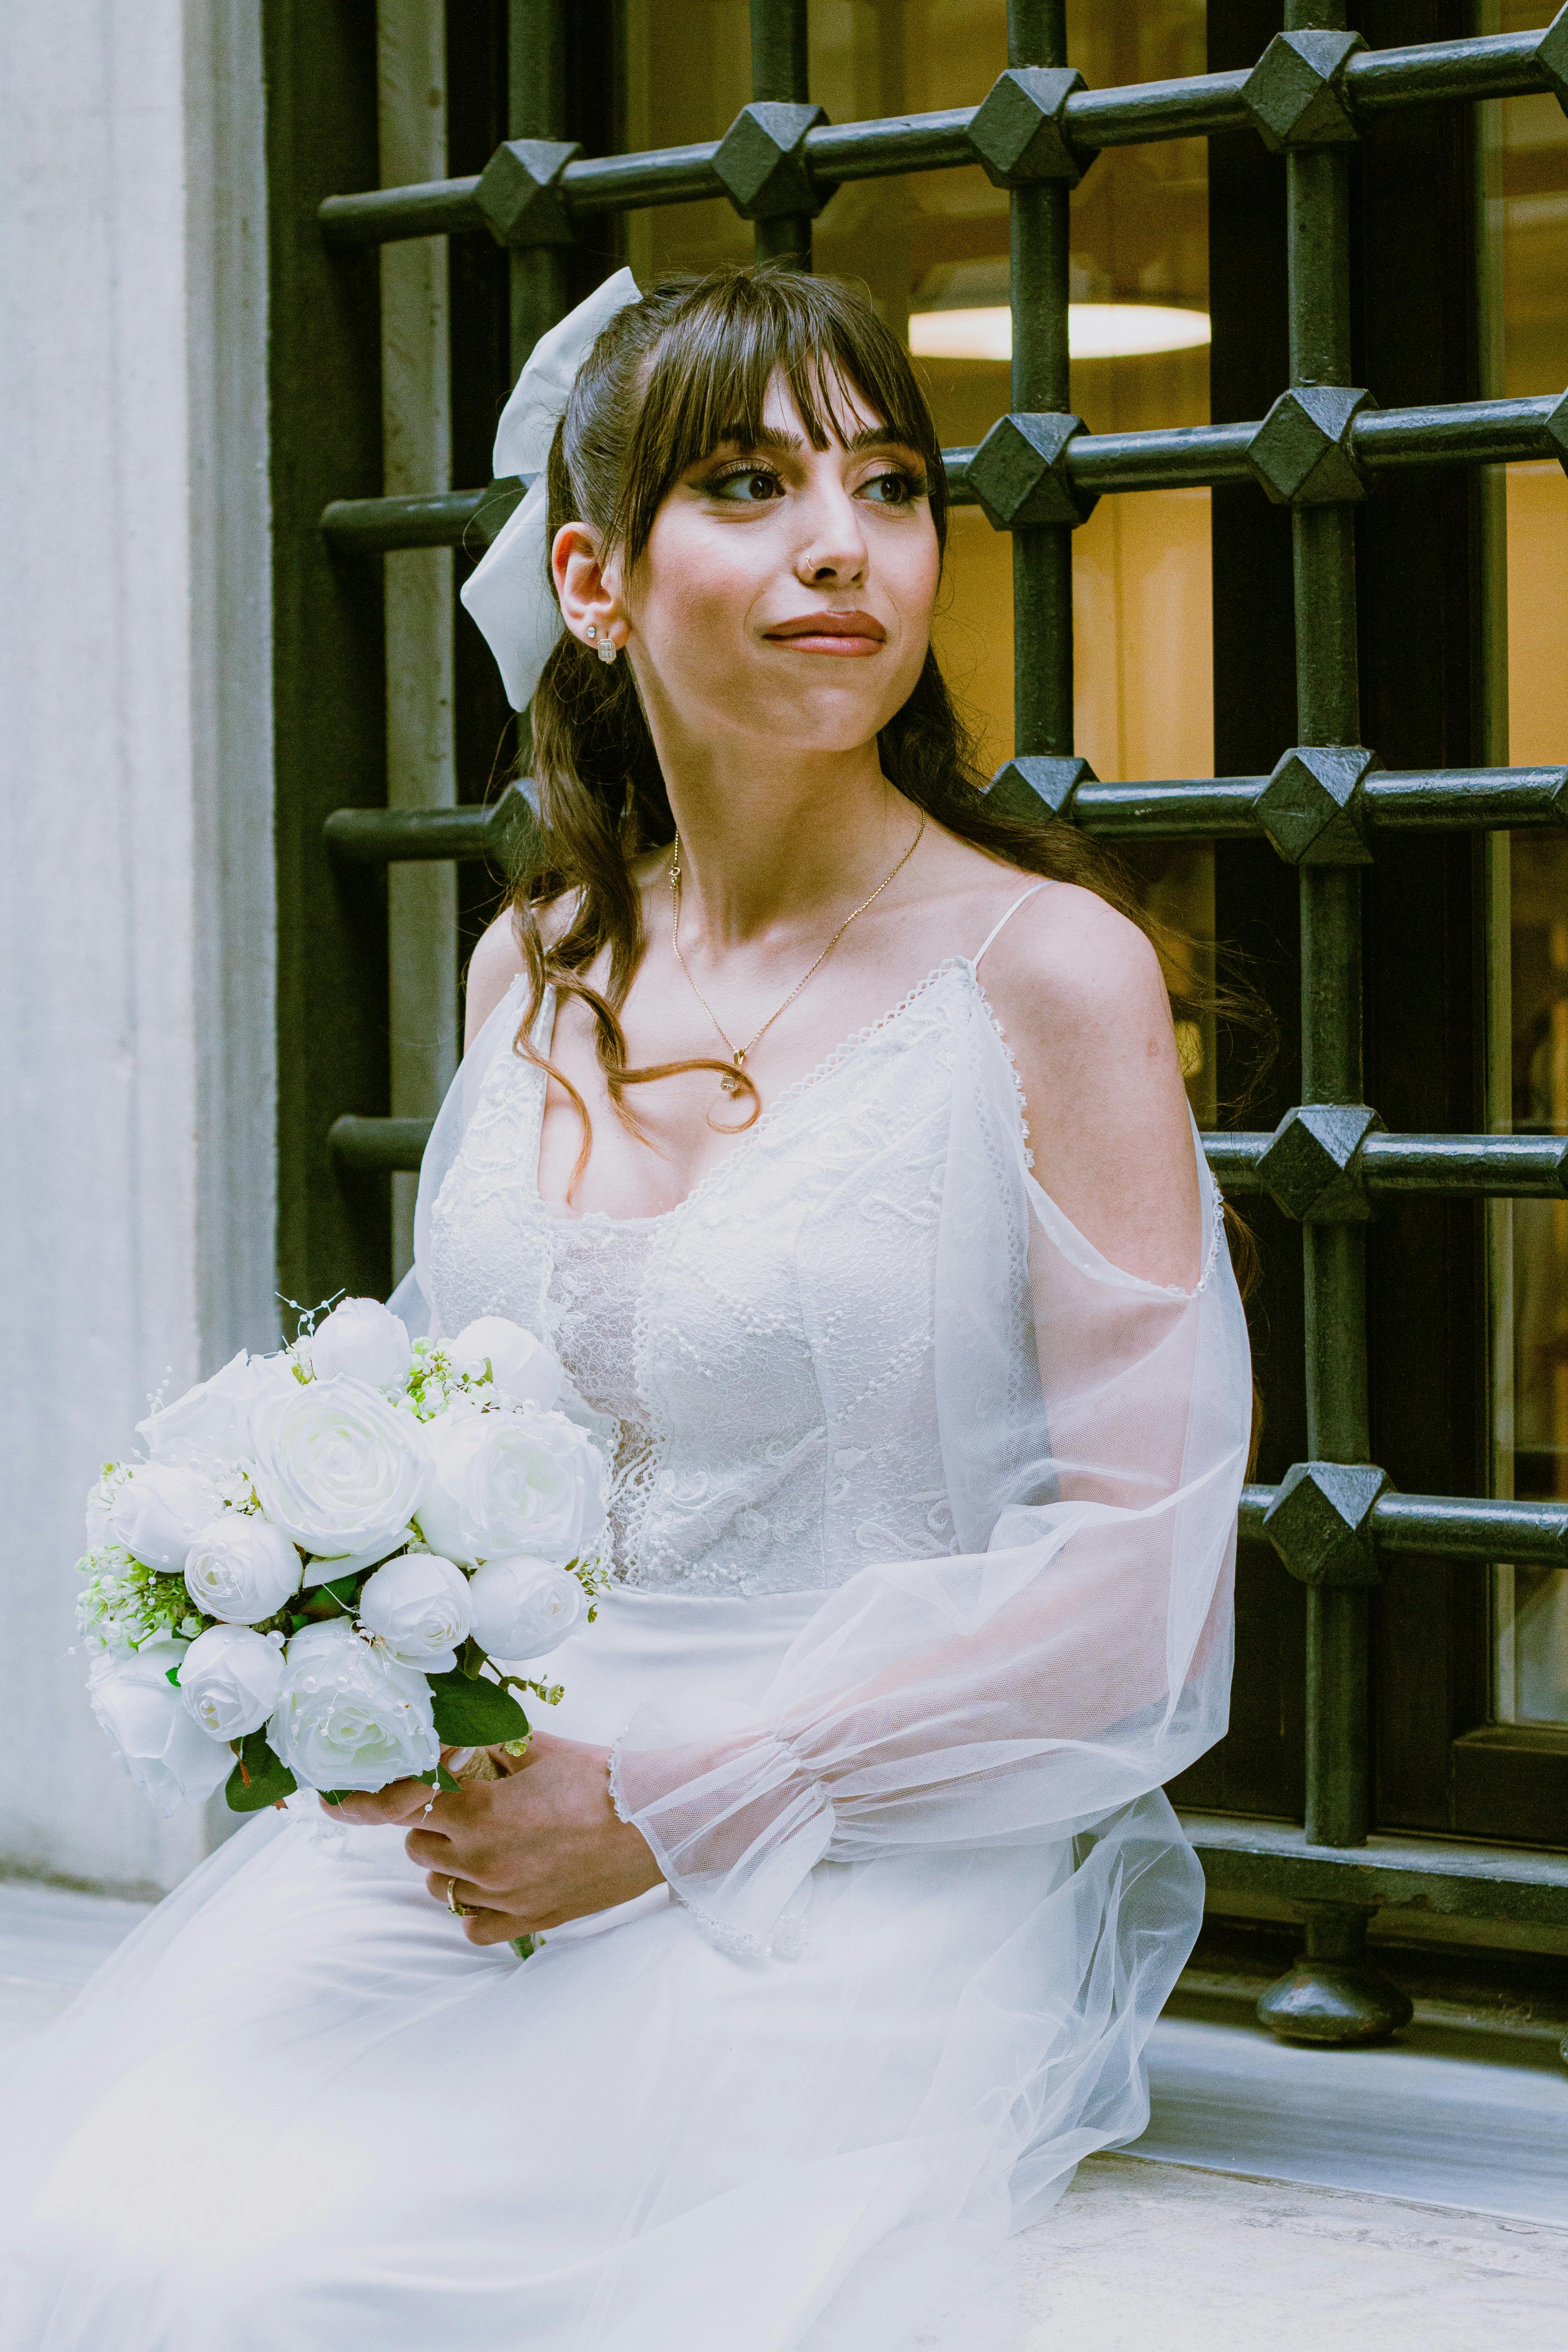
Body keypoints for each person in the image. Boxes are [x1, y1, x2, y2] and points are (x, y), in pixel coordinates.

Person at [0, 265, 1251, 2352]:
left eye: (888, 484)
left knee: (340, 2283)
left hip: (859, 1834)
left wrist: (681, 1799)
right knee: (92, 2239)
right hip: (496, 1810)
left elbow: (1141, 1584)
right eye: (750, 485)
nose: (842, 542)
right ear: (591, 574)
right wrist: (364, 1660)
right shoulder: (536, 962)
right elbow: (458, 1430)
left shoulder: (1048, 977)